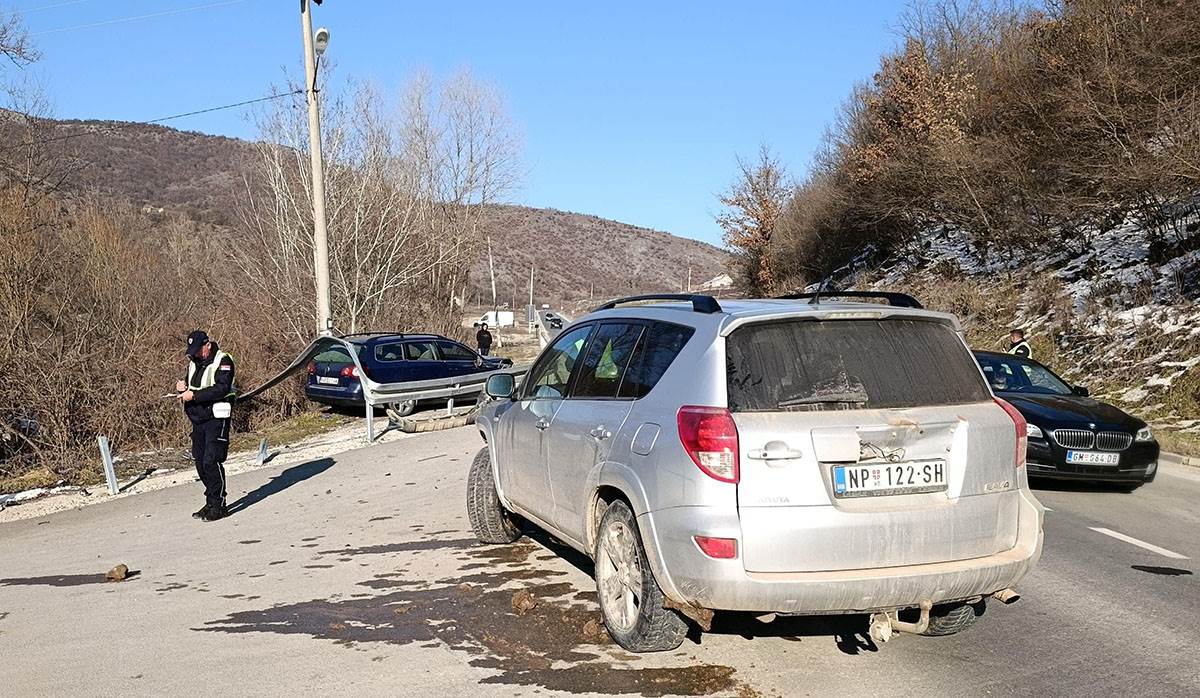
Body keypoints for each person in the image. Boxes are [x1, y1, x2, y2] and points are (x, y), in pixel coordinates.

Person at [177, 329, 236, 522]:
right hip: (198, 418)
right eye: (192, 351)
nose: (195, 354)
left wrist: (194, 395)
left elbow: (222, 388)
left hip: (216, 416)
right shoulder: (193, 362)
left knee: (212, 460)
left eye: (198, 350)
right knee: (200, 462)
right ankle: (211, 501)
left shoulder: (223, 360)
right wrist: (182, 388)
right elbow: (191, 386)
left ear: (207, 345)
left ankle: (219, 505)